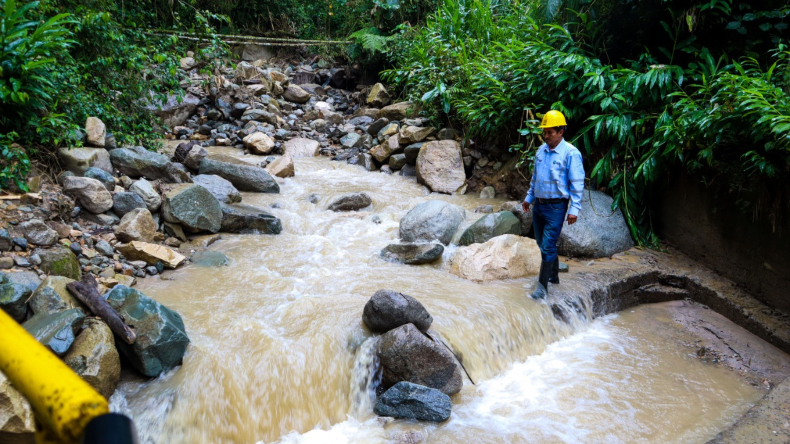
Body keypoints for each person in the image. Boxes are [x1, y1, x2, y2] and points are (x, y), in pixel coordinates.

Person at [522, 110, 585, 299]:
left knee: (548, 246)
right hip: (539, 206)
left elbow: (577, 183)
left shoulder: (571, 154)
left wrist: (574, 209)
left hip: (557, 207)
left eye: (550, 132)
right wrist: (529, 198)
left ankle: (542, 289)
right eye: (545, 132)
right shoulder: (541, 151)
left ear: (561, 132)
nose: (546, 135)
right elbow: (536, 179)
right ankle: (554, 276)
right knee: (542, 244)